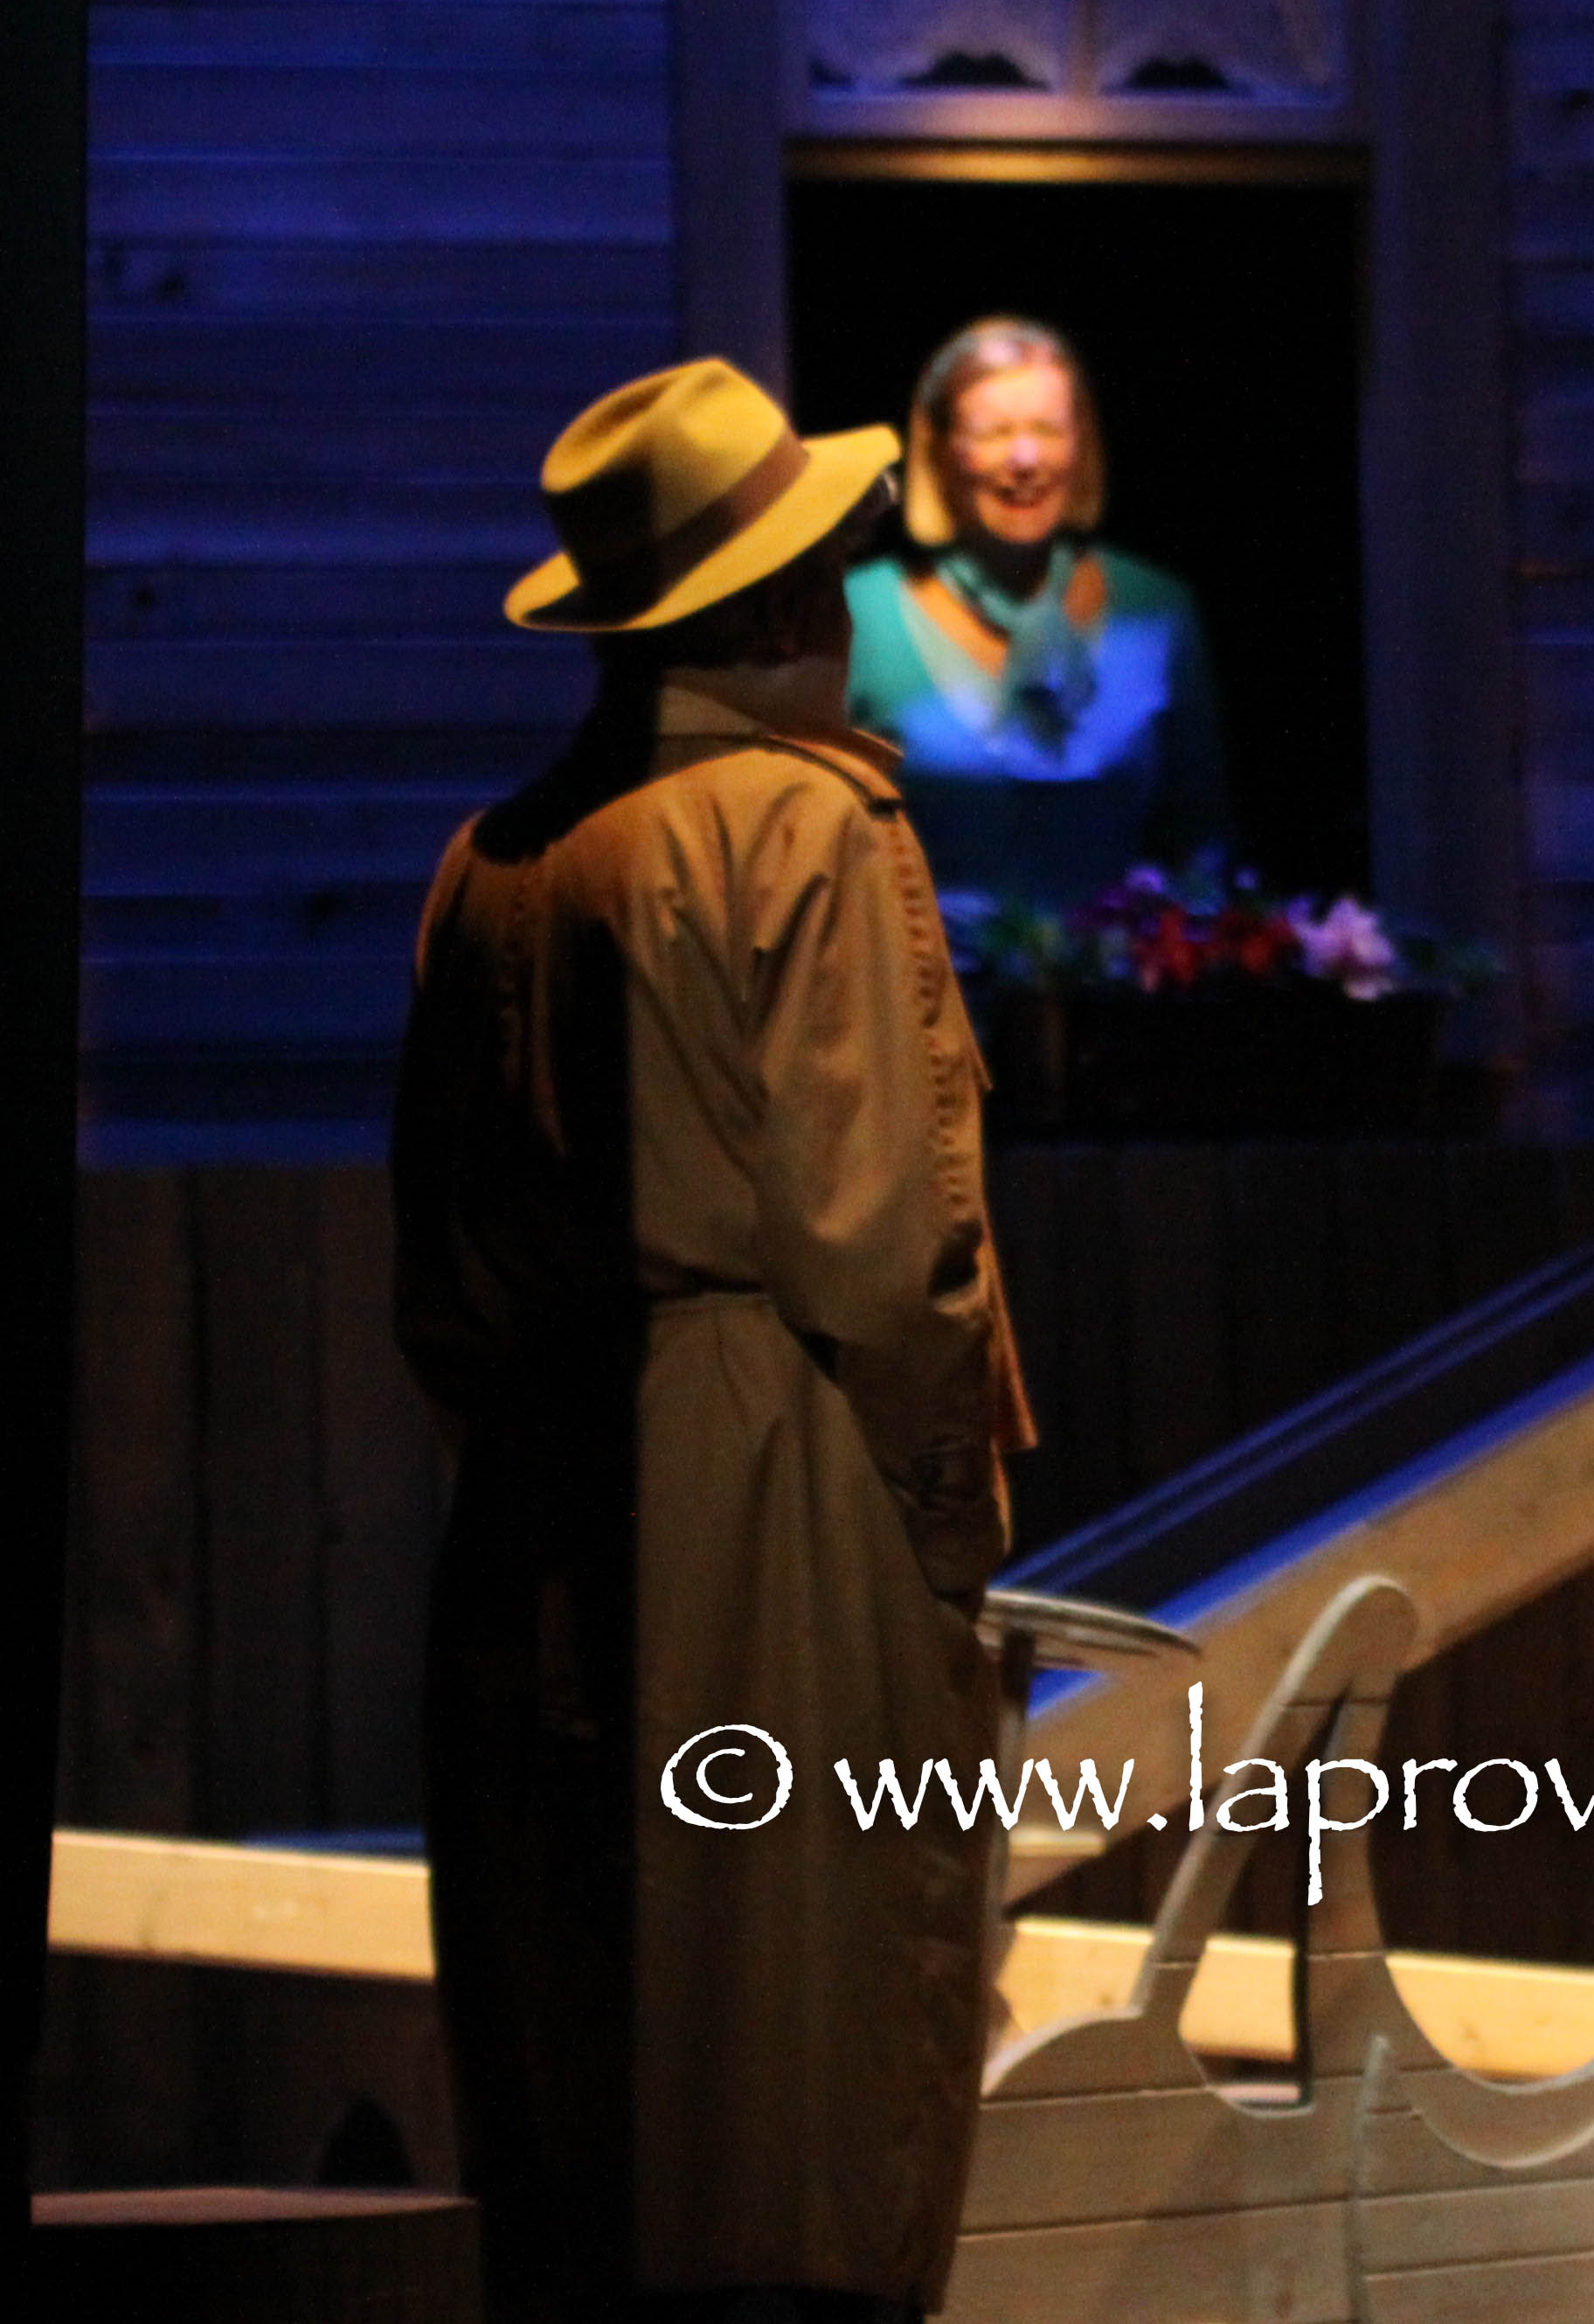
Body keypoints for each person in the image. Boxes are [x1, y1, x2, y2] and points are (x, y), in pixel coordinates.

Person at [394, 358, 1037, 2323]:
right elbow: (883, 1245)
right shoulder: (798, 823)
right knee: (797, 2063)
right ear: (773, 607)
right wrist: (948, 1523)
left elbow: (440, 1280)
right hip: (771, 1468)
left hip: (541, 1495)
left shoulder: (497, 856)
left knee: (581, 2053)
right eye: (826, 569)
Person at [842, 314, 1230, 912]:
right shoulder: (861, 614)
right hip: (926, 971)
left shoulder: (1156, 608)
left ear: (1082, 444)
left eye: (1047, 429)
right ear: (941, 451)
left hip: (1120, 972)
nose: (1024, 458)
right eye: (994, 432)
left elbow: (1202, 852)